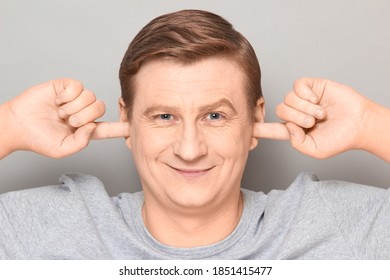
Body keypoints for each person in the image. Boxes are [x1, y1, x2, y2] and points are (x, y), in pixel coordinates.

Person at [0, 10, 389, 259]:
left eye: (215, 115)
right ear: (127, 121)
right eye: (165, 116)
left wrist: (370, 124)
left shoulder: (334, 224)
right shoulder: (53, 228)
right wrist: (12, 123)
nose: (190, 149)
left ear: (255, 121)